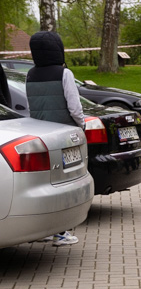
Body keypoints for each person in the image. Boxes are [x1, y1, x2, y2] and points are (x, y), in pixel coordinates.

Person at [25, 31, 86, 246]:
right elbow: (74, 106)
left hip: (40, 137)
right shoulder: (64, 73)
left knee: (44, 184)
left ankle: (42, 230)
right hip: (63, 136)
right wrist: (81, 125)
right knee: (65, 184)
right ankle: (61, 232)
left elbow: (32, 106)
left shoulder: (30, 74)